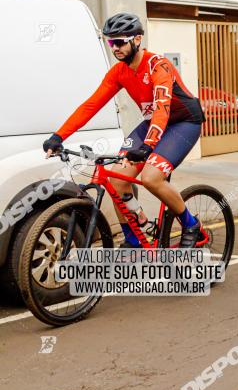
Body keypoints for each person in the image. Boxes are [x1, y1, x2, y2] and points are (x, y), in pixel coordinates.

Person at [42, 13, 206, 248]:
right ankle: (135, 239)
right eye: (111, 42)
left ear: (137, 39)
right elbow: (91, 105)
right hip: (153, 123)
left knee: (150, 178)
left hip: (183, 123)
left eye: (120, 42)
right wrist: (59, 136)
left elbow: (162, 108)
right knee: (117, 180)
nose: (115, 48)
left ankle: (191, 224)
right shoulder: (119, 72)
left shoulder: (158, 65)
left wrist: (148, 145)